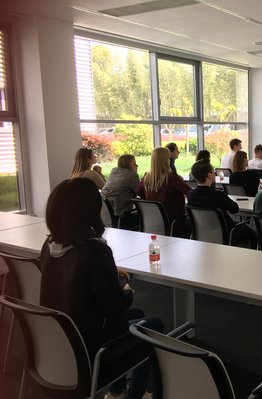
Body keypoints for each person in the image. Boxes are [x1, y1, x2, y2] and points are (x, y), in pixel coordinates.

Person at [39, 178, 163, 399]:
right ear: (90, 210)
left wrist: (110, 273)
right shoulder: (95, 251)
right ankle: (135, 394)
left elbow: (76, 279)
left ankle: (116, 391)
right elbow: (115, 308)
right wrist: (126, 292)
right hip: (91, 350)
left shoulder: (49, 246)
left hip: (61, 340)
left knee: (139, 316)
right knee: (154, 326)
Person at [188, 159, 257, 248]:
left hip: (202, 233)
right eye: (213, 172)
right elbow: (235, 209)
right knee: (252, 232)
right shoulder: (218, 195)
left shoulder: (191, 195)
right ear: (209, 175)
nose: (215, 174)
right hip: (228, 232)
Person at [136, 147, 192, 236]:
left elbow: (139, 193)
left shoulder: (146, 177)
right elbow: (190, 193)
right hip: (174, 224)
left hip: (151, 223)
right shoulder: (171, 177)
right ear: (166, 160)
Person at [101, 154, 140, 229]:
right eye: (134, 164)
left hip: (107, 216)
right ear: (128, 166)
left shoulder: (114, 173)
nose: (137, 166)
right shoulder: (132, 175)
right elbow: (140, 192)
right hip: (121, 217)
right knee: (145, 219)